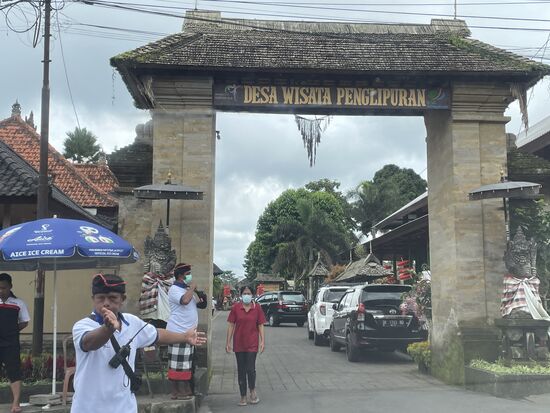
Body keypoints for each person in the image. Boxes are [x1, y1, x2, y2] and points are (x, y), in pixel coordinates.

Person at [71, 273, 206, 413]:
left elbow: (157, 335)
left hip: (125, 408)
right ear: (93, 299)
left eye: (112, 298)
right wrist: (108, 328)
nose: (106, 303)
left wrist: (185, 337)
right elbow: (89, 343)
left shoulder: (131, 322)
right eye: (101, 298)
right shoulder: (83, 326)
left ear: (122, 299)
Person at [166, 263, 205, 400]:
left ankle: (185, 390)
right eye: (188, 274)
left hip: (189, 334)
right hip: (178, 332)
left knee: (187, 364)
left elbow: (196, 304)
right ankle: (177, 391)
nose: (190, 276)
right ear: (181, 275)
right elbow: (185, 301)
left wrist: (199, 294)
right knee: (178, 364)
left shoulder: (186, 290)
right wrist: (192, 288)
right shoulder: (174, 289)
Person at [226, 286, 265, 406]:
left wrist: (262, 341)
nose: (246, 295)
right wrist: (228, 342)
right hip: (239, 344)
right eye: (244, 293)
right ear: (241, 295)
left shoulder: (257, 308)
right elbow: (231, 325)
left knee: (250, 369)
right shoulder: (236, 308)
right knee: (241, 369)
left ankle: (252, 391)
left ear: (252, 295)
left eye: (248, 293)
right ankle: (243, 396)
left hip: (252, 344)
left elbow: (260, 325)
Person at [0, 273, 30, 413]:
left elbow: (24, 322)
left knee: (14, 372)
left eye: (3, 288)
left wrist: (11, 330)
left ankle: (16, 403)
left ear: (10, 286)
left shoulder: (19, 303)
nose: (1, 290)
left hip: (11, 344)